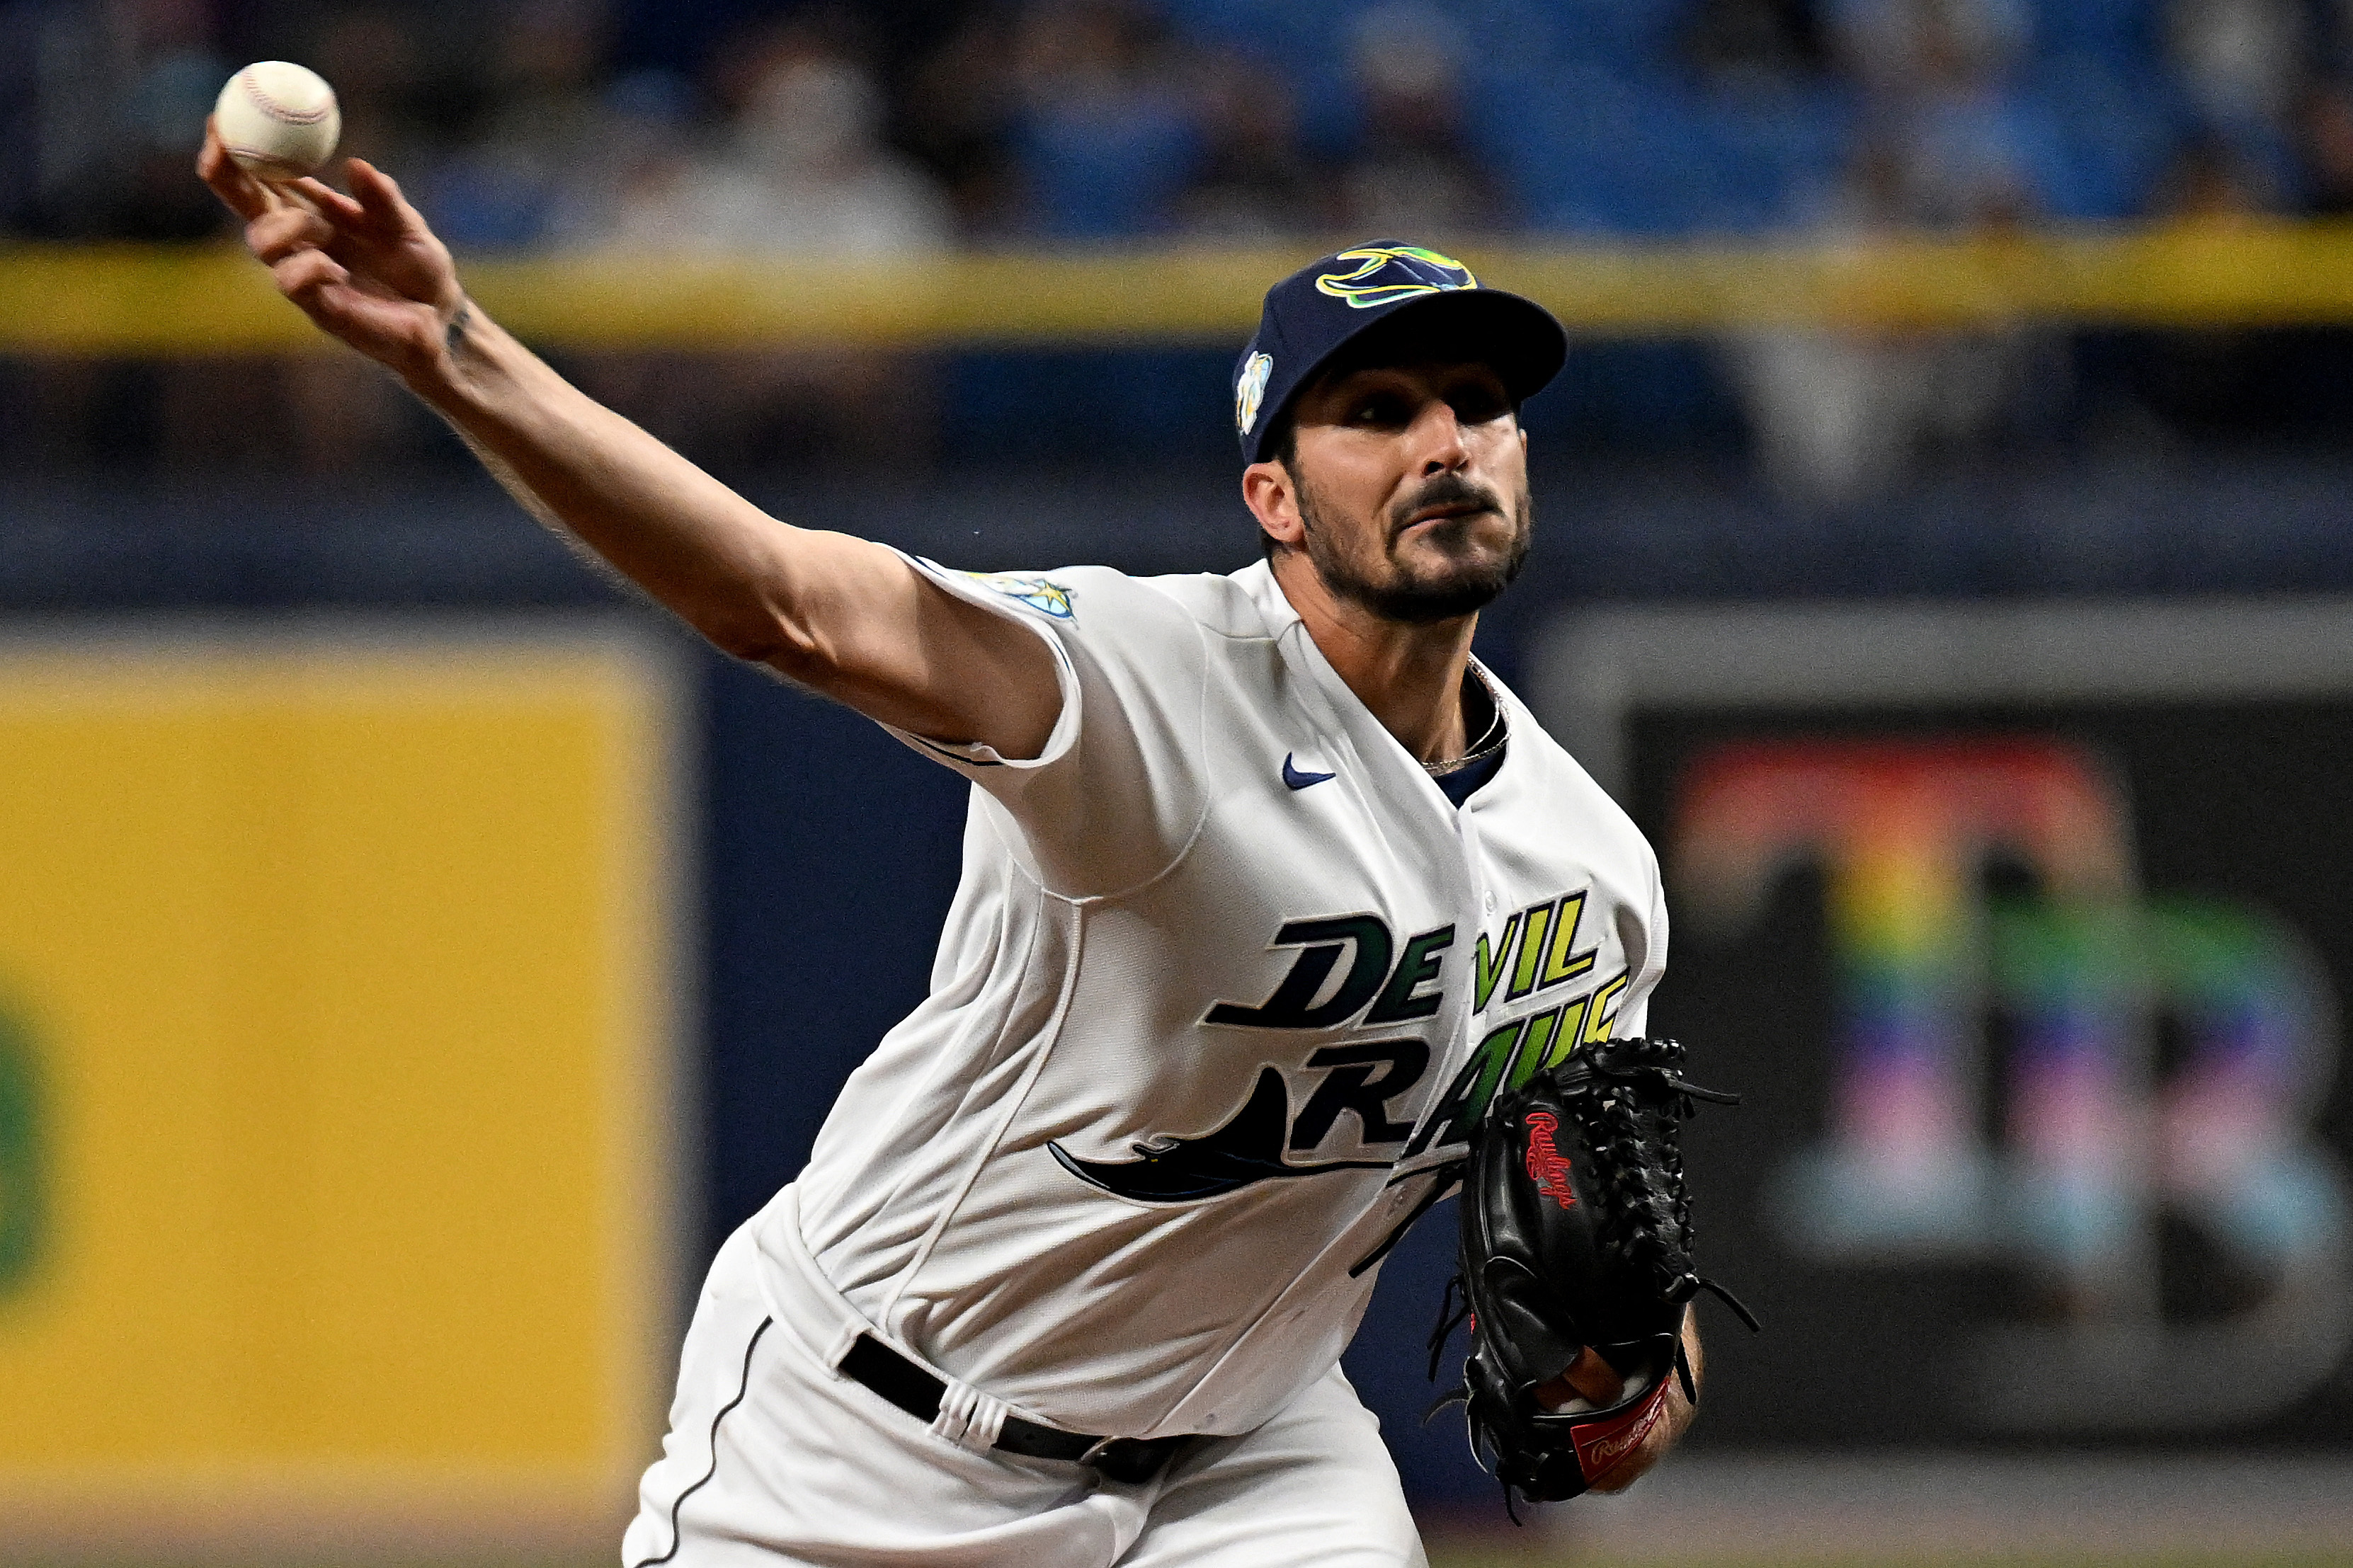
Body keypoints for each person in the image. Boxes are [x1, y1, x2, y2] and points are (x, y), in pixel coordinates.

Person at [198, 128, 1704, 1567]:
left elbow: (1630, 1273)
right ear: (1274, 501)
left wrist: (1641, 1385)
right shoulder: (1148, 680)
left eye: (1477, 403)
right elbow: (783, 601)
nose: (1444, 441)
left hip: (1250, 1463)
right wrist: (462, 352)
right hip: (873, 1432)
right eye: (1376, 413)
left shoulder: (1590, 871)